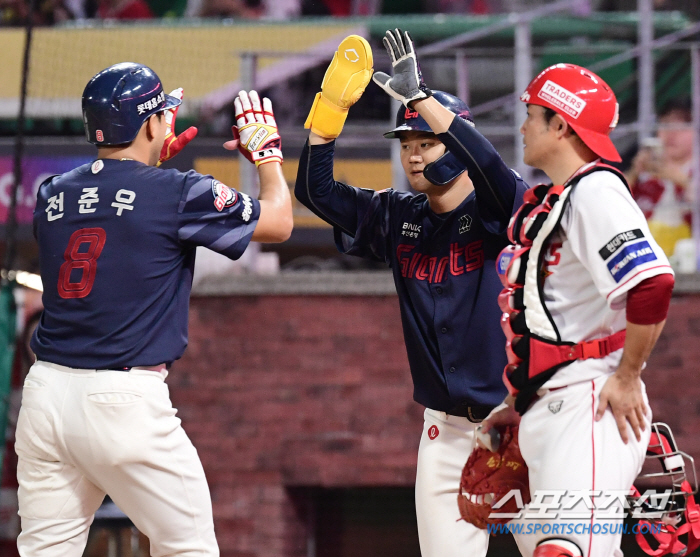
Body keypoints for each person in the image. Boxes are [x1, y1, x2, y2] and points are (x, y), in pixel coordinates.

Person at [16, 62, 292, 557]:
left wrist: (142, 162)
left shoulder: (50, 192)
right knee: (189, 549)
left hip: (46, 395)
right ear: (149, 125)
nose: (168, 119)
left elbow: (112, 208)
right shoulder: (179, 191)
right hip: (122, 400)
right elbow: (279, 222)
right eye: (162, 114)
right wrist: (265, 154)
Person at [295, 31, 528, 557]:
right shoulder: (397, 216)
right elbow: (316, 192)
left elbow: (490, 167)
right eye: (405, 144)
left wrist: (421, 99)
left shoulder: (501, 209)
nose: (413, 156)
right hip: (444, 434)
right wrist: (329, 113)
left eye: (426, 142)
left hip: (518, 423)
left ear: (457, 141)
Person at [480, 63, 675, 557]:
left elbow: (651, 284)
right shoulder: (567, 194)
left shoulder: (596, 190)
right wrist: (520, 401)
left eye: (531, 115)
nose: (522, 126)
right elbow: (557, 319)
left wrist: (629, 375)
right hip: (552, 406)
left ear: (561, 124)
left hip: (590, 406)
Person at [627, 97, 694, 257]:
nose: (671, 134)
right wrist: (634, 172)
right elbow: (611, 206)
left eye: (681, 126)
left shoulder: (693, 171)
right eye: (665, 125)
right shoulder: (645, 173)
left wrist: (676, 177)